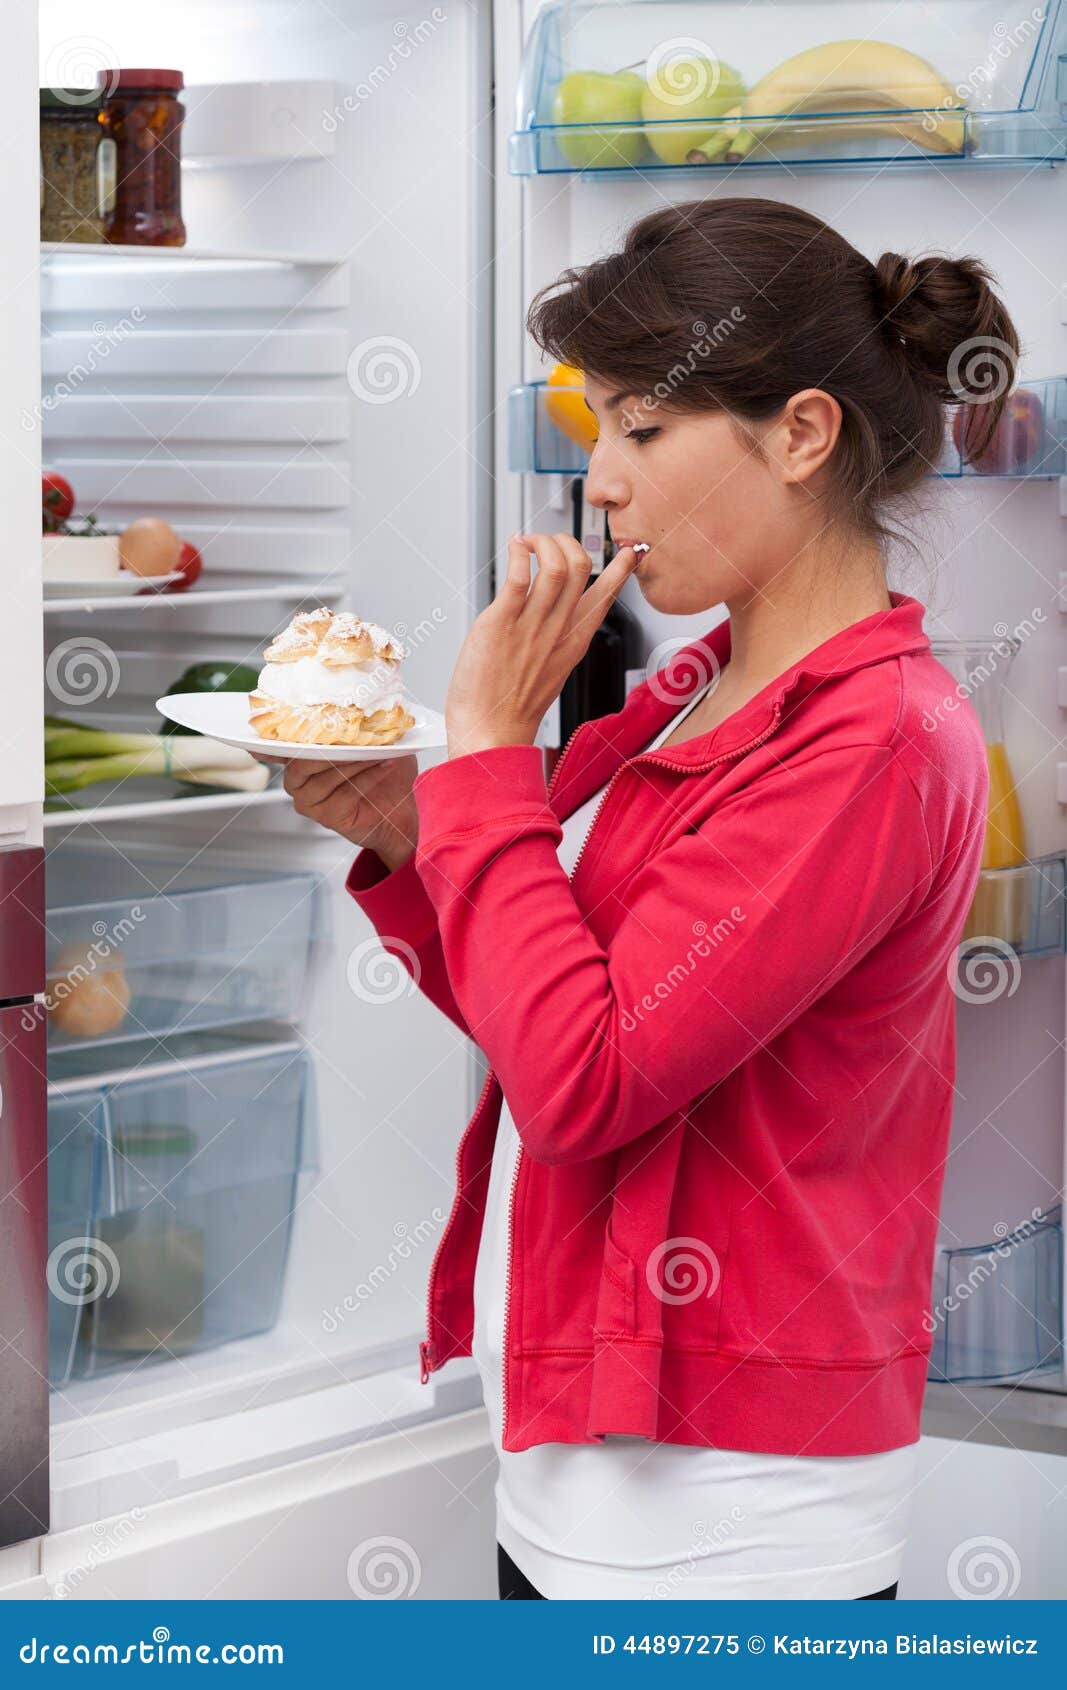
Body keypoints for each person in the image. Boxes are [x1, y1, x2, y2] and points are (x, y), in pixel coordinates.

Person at [283, 198, 1014, 1600]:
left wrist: (495, 755)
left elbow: (586, 1080)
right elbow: (551, 1006)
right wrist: (407, 828)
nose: (597, 480)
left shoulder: (873, 741)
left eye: (641, 426)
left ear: (801, 435)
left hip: (725, 1518)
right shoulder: (696, 692)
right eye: (597, 425)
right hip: (582, 1467)